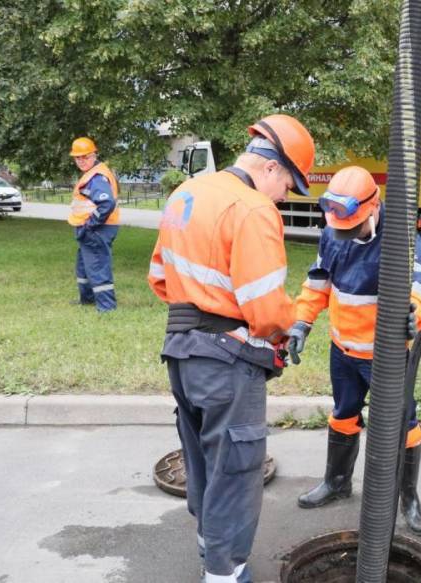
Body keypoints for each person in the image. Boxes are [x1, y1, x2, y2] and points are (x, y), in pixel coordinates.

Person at [147, 114, 315, 583]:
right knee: (238, 470)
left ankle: (209, 549)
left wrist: (202, 308)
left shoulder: (185, 193)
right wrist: (288, 328)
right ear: (271, 167)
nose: (284, 196)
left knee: (202, 460)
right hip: (227, 363)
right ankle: (225, 572)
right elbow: (265, 308)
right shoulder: (254, 209)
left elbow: (159, 277)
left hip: (181, 352)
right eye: (288, 185)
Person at [288, 165, 421, 535]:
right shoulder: (333, 233)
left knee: (404, 424)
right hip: (343, 350)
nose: (346, 236)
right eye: (340, 229)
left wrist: (415, 314)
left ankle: (409, 500)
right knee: (343, 414)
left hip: (385, 357)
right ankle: (337, 482)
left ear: (372, 209)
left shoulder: (402, 240)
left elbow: (418, 288)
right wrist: (301, 322)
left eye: (354, 228)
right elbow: (317, 283)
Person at [67, 137, 121, 312]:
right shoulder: (91, 174)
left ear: (94, 154)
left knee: (97, 265)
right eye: (78, 158)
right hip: (90, 228)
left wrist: (91, 224)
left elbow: (107, 204)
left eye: (86, 157)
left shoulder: (97, 177)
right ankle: (87, 299)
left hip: (97, 229)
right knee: (84, 266)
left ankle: (107, 307)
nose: (82, 161)